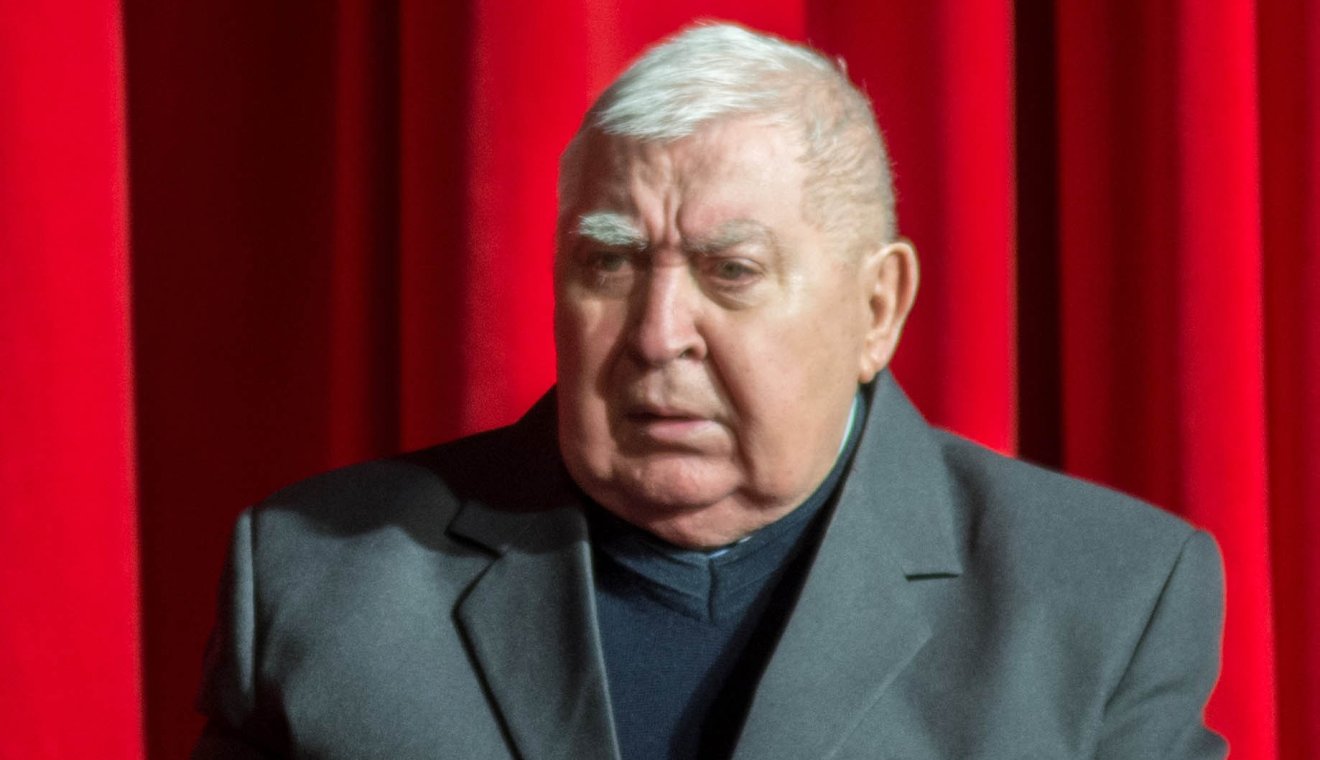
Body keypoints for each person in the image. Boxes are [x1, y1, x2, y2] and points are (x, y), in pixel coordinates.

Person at [193, 22, 1226, 760]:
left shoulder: (1104, 600)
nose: (655, 333)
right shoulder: (319, 581)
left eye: (731, 272)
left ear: (877, 309)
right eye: (610, 263)